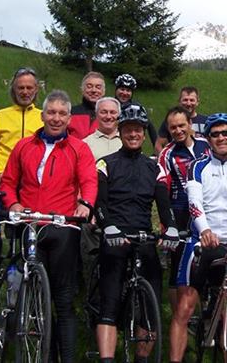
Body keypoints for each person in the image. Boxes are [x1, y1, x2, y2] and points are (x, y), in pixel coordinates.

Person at [0, 89, 97, 363]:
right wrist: (13, 203)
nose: (56, 118)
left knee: (63, 301)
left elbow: (89, 180)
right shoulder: (24, 146)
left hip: (62, 226)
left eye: (62, 113)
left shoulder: (79, 148)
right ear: (42, 115)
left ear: (69, 118)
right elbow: (8, 181)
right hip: (29, 223)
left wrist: (86, 204)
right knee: (27, 294)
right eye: (51, 112)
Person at [168, 112, 227, 363]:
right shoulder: (198, 167)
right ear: (208, 139)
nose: (221, 138)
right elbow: (194, 204)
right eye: (215, 134)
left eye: (225, 133)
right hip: (201, 241)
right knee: (184, 308)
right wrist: (204, 230)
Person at [93, 103, 179, 362]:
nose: (133, 134)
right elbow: (100, 203)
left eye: (138, 130)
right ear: (120, 132)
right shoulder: (105, 163)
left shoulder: (155, 167)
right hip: (114, 236)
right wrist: (107, 226)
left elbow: (164, 204)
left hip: (143, 236)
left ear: (144, 134)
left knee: (150, 308)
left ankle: (142, 359)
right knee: (109, 302)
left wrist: (171, 228)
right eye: (128, 130)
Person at [156, 106, 211, 311]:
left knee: (206, 261)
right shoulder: (167, 153)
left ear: (190, 124)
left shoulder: (206, 145)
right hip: (179, 211)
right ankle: (179, 318)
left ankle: (206, 313)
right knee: (178, 265)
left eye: (181, 125)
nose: (178, 130)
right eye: (173, 128)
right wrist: (166, 222)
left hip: (206, 210)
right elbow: (162, 188)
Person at [0, 67, 43, 176]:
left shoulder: (44, 118)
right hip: (3, 177)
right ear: (14, 89)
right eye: (21, 88)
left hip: (33, 179)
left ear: (36, 89)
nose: (25, 92)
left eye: (29, 87)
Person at [154, 86, 207, 153]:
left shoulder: (206, 121)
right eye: (185, 100)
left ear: (197, 102)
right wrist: (165, 158)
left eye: (192, 100)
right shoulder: (171, 121)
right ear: (179, 101)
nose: (188, 103)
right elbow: (158, 145)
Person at [113, 73, 158, 145]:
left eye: (128, 90)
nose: (124, 93)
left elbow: (150, 128)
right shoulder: (108, 105)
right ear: (116, 90)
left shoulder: (137, 108)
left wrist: (157, 148)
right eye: (122, 89)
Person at [83, 96, 122, 163]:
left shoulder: (128, 142)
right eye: (104, 112)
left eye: (113, 112)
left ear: (119, 115)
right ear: (96, 115)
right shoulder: (85, 144)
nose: (108, 116)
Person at [68, 71, 106, 139]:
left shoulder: (109, 115)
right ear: (82, 89)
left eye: (98, 87)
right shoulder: (71, 112)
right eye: (89, 87)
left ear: (103, 91)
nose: (94, 90)